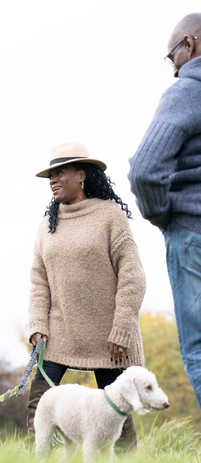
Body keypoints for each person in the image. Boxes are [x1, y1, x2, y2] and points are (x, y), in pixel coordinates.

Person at [27, 142, 146, 450]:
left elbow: (132, 276)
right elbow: (38, 279)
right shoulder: (46, 226)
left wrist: (122, 328)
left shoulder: (110, 216)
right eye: (50, 175)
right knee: (39, 405)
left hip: (109, 336)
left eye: (60, 172)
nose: (53, 179)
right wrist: (38, 324)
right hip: (58, 332)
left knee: (117, 409)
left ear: (81, 175)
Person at [128, 13, 201, 410]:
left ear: (188, 45)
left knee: (200, 348)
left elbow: (145, 170)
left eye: (171, 56)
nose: (173, 70)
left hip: (193, 233)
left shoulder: (188, 90)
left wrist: (162, 216)